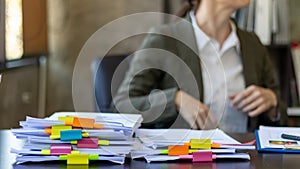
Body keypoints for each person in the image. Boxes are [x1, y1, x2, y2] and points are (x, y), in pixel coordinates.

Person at [112, 0, 288, 133]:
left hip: (246, 160)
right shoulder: (165, 39)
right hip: (184, 162)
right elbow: (121, 106)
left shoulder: (252, 44)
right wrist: (175, 99)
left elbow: (282, 117)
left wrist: (272, 103)